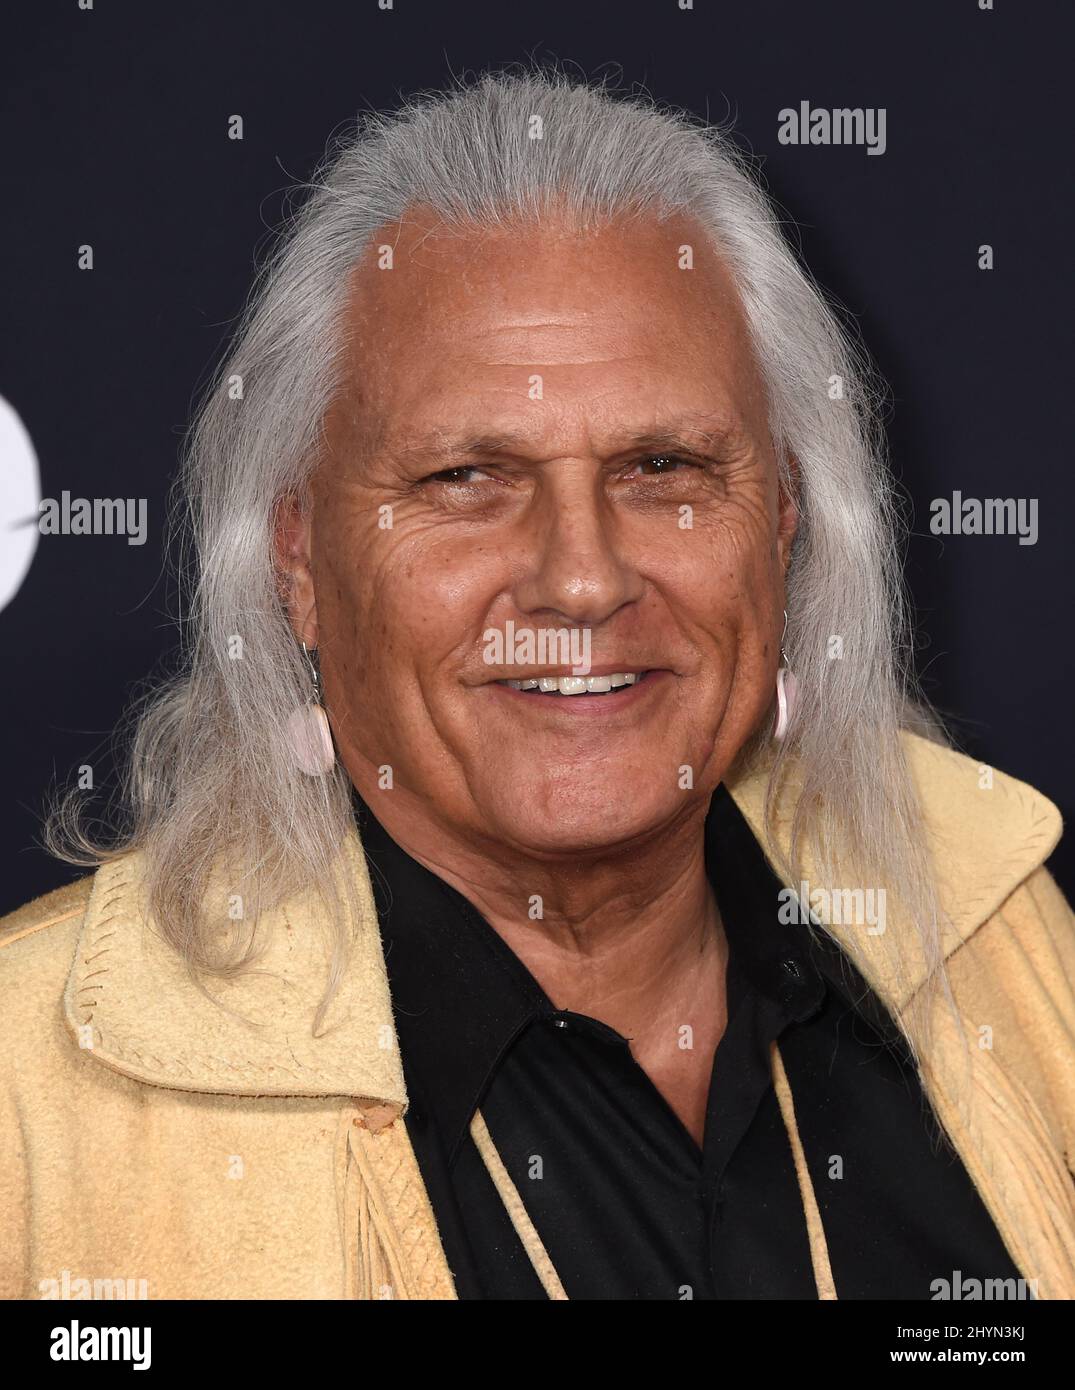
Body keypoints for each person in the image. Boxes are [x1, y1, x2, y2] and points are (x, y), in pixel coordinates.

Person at [3, 67, 1073, 1301]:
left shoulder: (990, 919)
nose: (581, 578)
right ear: (296, 556)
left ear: (783, 523)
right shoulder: (26, 1095)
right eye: (466, 476)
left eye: (663, 464)